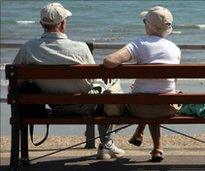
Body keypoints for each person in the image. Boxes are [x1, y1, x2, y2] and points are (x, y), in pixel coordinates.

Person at [13, 2, 124, 159]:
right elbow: (94, 79)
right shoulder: (80, 48)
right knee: (110, 85)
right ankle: (106, 143)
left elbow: (16, 81)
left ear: (41, 24)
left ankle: (22, 157)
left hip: (54, 107)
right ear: (63, 23)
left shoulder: (28, 48)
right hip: (85, 107)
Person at [104, 6, 180, 162]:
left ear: (148, 25)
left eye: (145, 21)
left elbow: (109, 61)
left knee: (146, 98)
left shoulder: (139, 43)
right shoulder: (175, 49)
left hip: (138, 108)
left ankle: (141, 132)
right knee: (157, 96)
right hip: (167, 108)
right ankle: (156, 147)